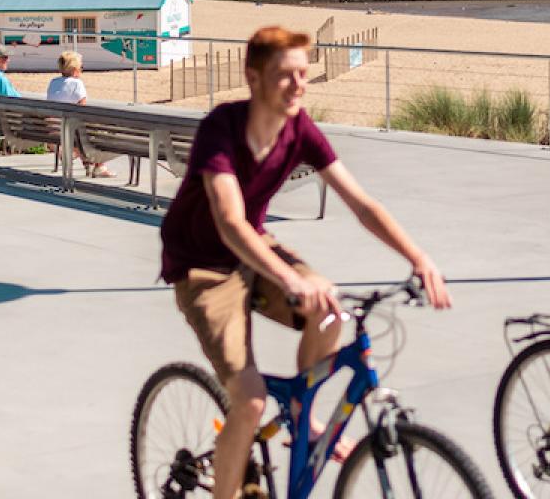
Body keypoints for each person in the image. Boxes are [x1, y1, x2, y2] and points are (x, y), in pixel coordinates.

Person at [160, 26, 453, 499]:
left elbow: (361, 203)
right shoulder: (222, 128)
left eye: (303, 73)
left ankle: (302, 413)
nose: (299, 85)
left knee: (331, 309)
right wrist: (286, 278)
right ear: (252, 78)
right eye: (284, 76)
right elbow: (230, 221)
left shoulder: (300, 129)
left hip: (256, 249)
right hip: (203, 266)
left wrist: (418, 257)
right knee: (251, 400)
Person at [46, 50, 117, 178]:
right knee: (95, 132)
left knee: (79, 132)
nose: (82, 70)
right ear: (74, 69)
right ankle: (99, 166)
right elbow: (83, 111)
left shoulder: (53, 82)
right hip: (71, 133)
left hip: (54, 131)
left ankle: (90, 164)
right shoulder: (77, 84)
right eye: (81, 67)